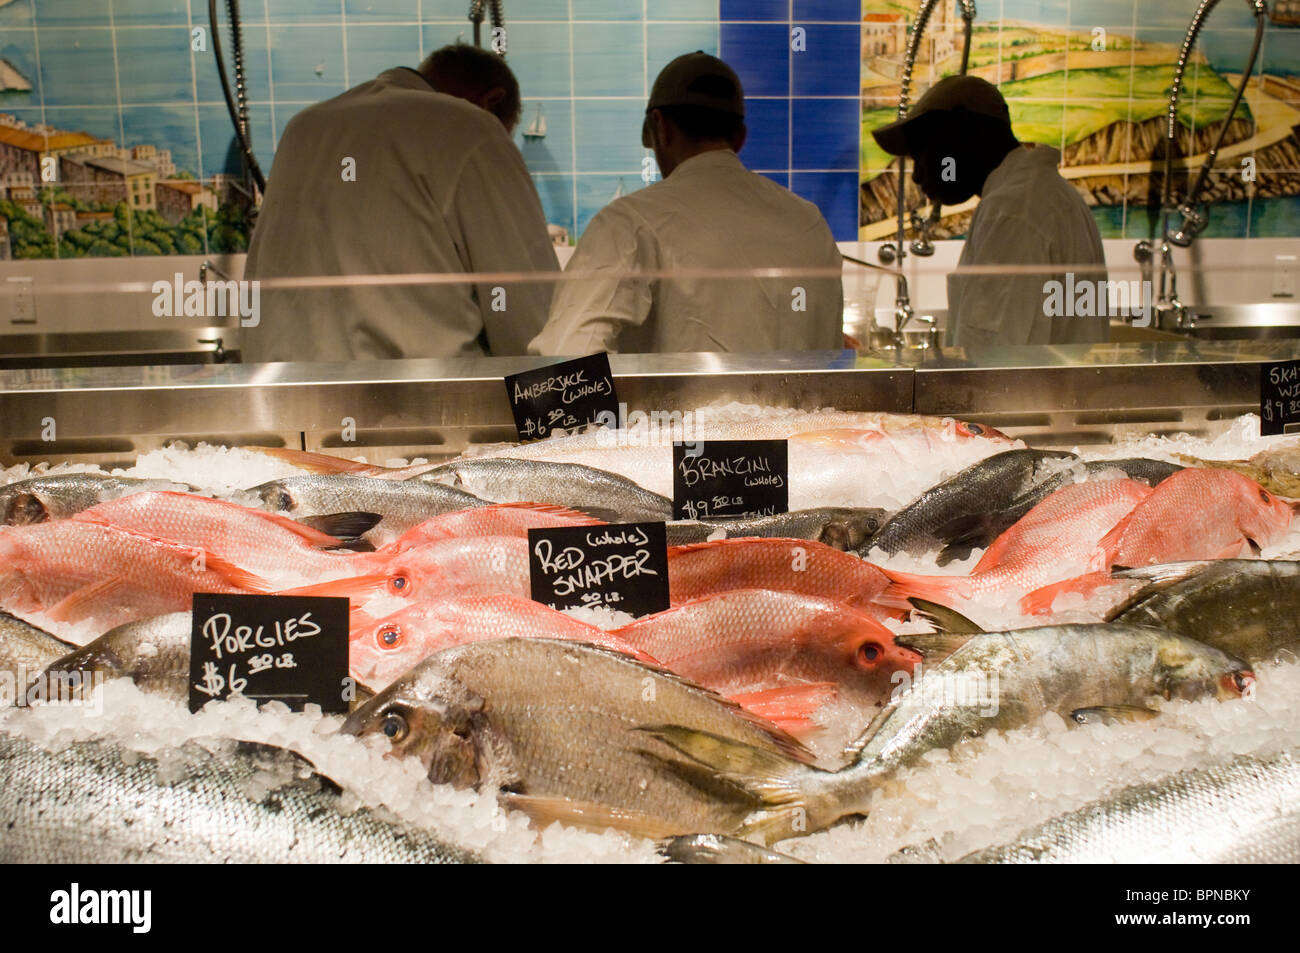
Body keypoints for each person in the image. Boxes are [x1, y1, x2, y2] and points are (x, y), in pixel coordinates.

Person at [241, 44, 557, 362]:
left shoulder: (302, 128)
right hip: (421, 402)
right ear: (491, 101)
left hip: (284, 396)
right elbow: (531, 315)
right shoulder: (472, 128)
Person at [530, 51, 843, 355]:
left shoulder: (627, 223)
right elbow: (829, 359)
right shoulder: (809, 222)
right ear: (740, 138)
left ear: (661, 128)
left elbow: (564, 361)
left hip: (672, 412)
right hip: (807, 410)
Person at [872, 75, 1108, 347]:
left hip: (1028, 391)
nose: (918, 175)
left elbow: (990, 359)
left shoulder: (1014, 212)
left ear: (960, 131)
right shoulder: (1045, 194)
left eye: (923, 153)